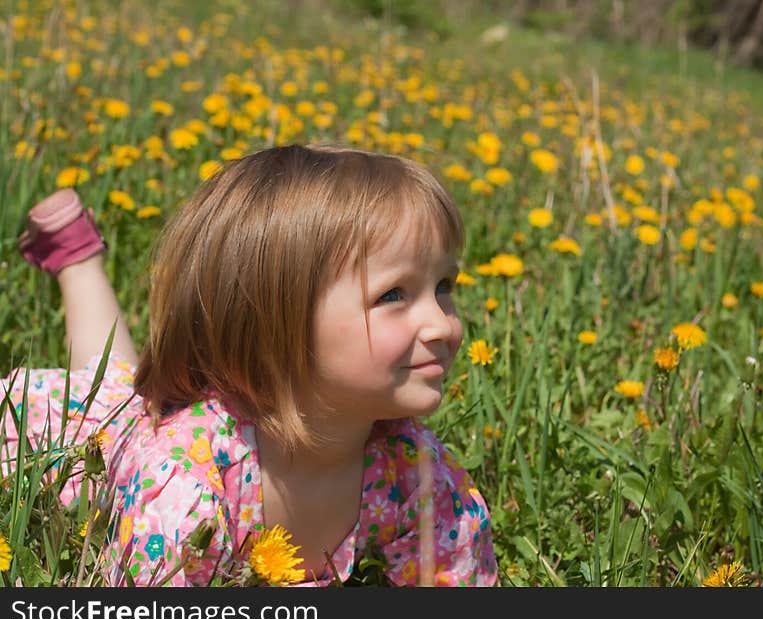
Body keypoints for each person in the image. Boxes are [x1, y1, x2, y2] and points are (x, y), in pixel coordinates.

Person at [1, 143, 498, 587]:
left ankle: (75, 254)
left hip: (135, 416)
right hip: (65, 434)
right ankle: (78, 260)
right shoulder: (182, 486)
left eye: (444, 287)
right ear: (271, 321)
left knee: (116, 379)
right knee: (104, 386)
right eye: (393, 294)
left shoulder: (414, 471)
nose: (442, 324)